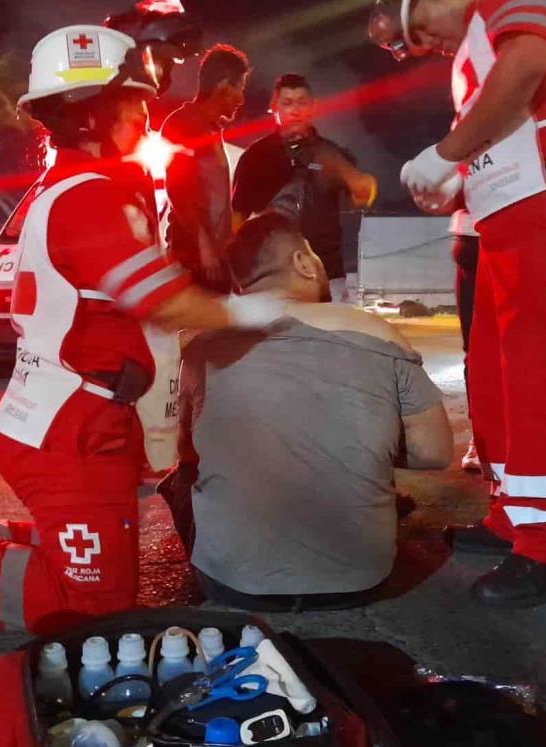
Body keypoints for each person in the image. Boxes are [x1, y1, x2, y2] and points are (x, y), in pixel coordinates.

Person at [0, 13, 290, 635]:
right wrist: (259, 311)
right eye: (133, 104)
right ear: (90, 112)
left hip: (80, 421)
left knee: (96, 557)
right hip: (69, 433)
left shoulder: (81, 186)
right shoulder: (87, 197)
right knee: (99, 606)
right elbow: (163, 300)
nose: (146, 118)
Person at [370, 0, 546, 607]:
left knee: (541, 374)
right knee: (495, 376)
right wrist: (460, 176)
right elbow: (506, 113)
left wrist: (445, 154)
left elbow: (527, 61)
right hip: (509, 210)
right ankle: (516, 516)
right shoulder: (475, 37)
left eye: (417, 29)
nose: (425, 44)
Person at [159, 212, 453, 612]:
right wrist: (358, 444)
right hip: (361, 581)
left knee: (180, 477)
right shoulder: (378, 332)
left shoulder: (203, 345)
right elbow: (434, 453)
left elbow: (188, 454)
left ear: (241, 284)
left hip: (230, 583)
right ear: (301, 262)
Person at [231, 73, 379, 303]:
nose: (295, 110)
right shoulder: (255, 157)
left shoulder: (331, 152)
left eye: (302, 102)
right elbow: (236, 219)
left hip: (328, 273)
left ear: (313, 107)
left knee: (335, 336)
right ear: (274, 108)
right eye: (287, 103)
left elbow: (363, 196)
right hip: (274, 276)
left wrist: (356, 180)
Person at [161, 44, 251, 293]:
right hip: (193, 261)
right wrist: (205, 247)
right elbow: (178, 189)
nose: (241, 100)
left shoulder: (211, 130)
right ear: (223, 86)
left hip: (213, 261)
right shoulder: (183, 124)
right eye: (239, 88)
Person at [450, 208, 482, 472]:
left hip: (522, 235)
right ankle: (482, 436)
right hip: (472, 240)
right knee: (475, 350)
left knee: (523, 346)